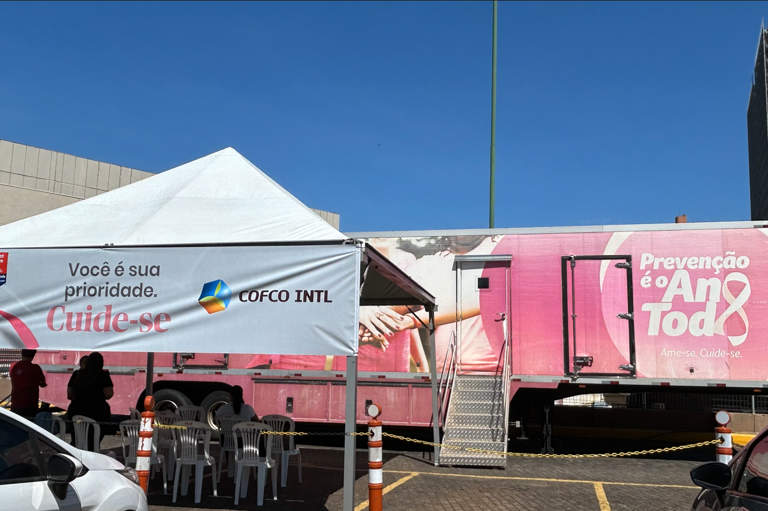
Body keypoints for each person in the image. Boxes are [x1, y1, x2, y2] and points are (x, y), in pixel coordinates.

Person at [67, 352, 114, 449]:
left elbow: (70, 394)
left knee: (77, 438)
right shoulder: (103, 375)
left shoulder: (77, 374)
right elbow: (108, 394)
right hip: (97, 411)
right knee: (94, 440)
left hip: (76, 410)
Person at [10, 349, 47, 418]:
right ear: (33, 356)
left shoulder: (14, 366)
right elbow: (43, 384)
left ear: (22, 354)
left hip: (15, 403)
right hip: (30, 403)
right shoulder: (35, 368)